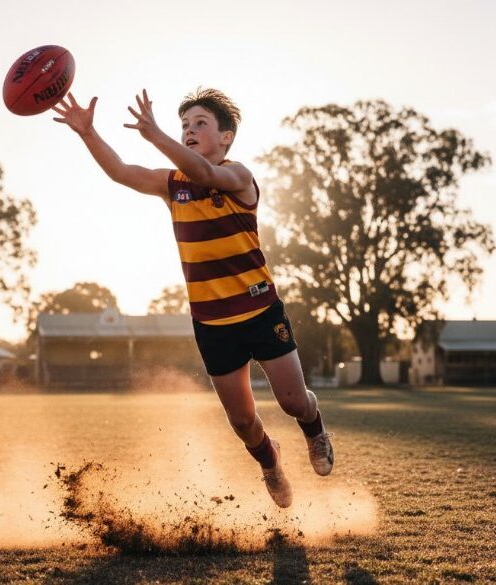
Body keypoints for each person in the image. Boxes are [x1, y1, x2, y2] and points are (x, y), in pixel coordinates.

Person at [52, 87, 333, 508]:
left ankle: (315, 429)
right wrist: (88, 133)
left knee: (294, 401)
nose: (189, 131)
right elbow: (122, 172)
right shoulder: (173, 185)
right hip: (212, 324)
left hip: (259, 311)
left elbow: (206, 174)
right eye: (185, 125)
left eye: (200, 124)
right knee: (242, 422)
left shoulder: (238, 176)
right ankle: (270, 460)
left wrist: (158, 136)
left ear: (226, 137)